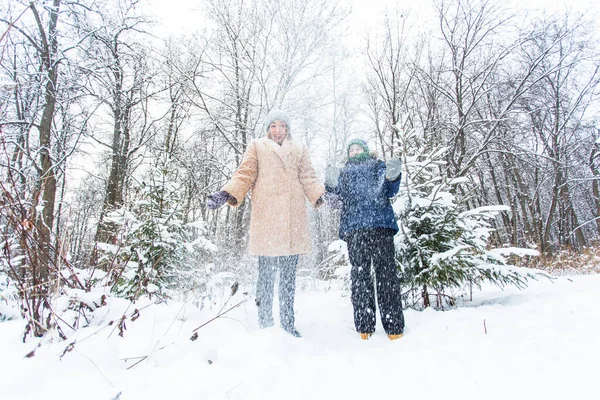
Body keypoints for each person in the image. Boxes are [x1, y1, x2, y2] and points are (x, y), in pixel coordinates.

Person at [207, 110, 325, 338]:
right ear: (267, 129)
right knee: (266, 279)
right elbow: (245, 173)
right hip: (268, 221)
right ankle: (265, 325)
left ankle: (288, 325)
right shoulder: (257, 146)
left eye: (282, 126)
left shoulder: (299, 149)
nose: (278, 130)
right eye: (273, 126)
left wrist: (322, 196)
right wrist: (226, 193)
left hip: (292, 221)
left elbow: (308, 177)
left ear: (287, 129)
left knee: (288, 281)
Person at [324, 138, 405, 340]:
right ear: (347, 154)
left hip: (380, 225)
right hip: (355, 229)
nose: (355, 151)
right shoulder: (344, 172)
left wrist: (392, 177)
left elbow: (390, 191)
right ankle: (364, 326)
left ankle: (394, 326)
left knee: (386, 274)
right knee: (360, 276)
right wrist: (330, 185)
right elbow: (334, 201)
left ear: (367, 150)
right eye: (351, 149)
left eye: (358, 147)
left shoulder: (377, 166)